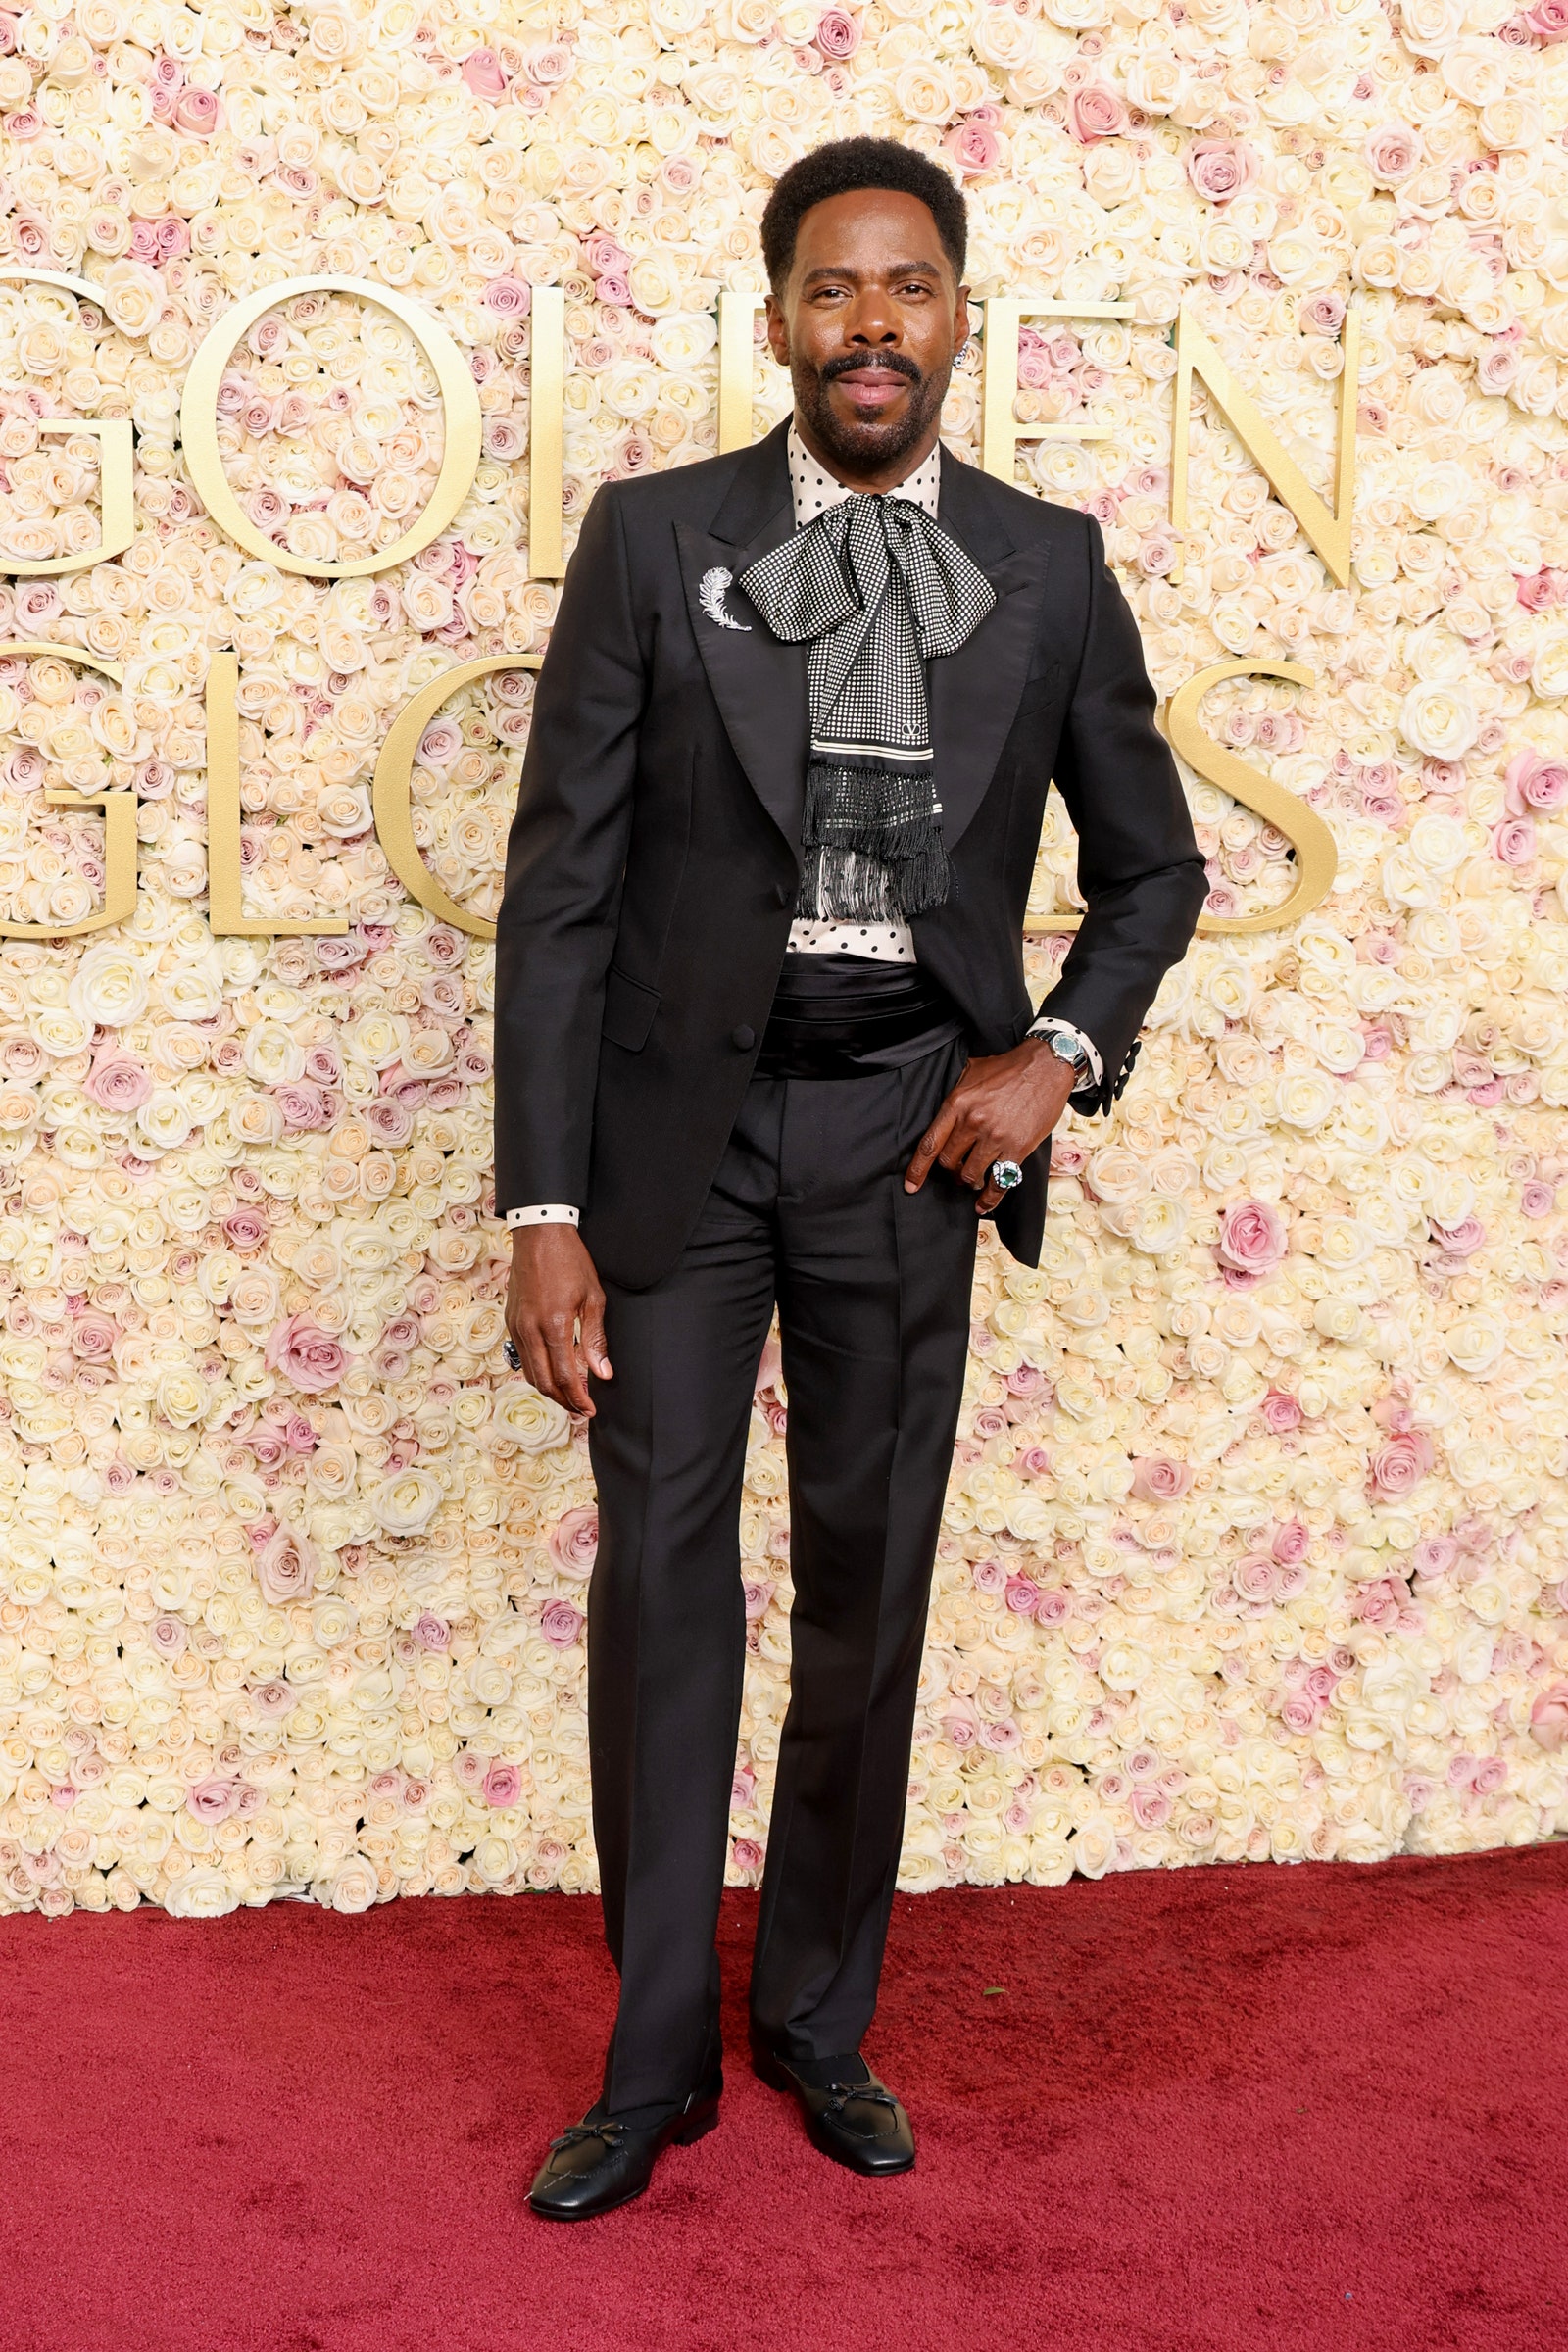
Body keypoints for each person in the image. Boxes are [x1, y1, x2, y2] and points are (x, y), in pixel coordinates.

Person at [495, 135, 1207, 2220]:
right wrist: (538, 1208)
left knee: (867, 1586)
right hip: (674, 1148)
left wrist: (1049, 1055)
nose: (869, 325)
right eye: (831, 290)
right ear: (776, 316)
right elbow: (559, 898)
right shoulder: (652, 542)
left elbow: (1152, 867)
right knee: (660, 1579)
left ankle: (814, 2019)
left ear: (960, 315)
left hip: (906, 1138)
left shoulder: (1050, 567)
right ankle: (650, 2070)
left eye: (906, 288)